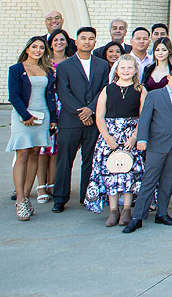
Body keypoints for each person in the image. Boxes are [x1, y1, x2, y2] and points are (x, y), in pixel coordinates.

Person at [123, 65, 172, 233]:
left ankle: (162, 213)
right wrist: (142, 139)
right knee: (149, 180)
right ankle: (138, 217)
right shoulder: (155, 95)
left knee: (167, 181)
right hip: (157, 144)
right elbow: (145, 118)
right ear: (169, 77)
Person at [84, 54, 145, 226]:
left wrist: (134, 137)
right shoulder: (108, 89)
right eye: (122, 68)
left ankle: (126, 209)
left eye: (129, 68)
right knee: (110, 172)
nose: (126, 71)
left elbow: (144, 116)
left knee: (128, 173)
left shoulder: (140, 89)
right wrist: (107, 138)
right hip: (110, 138)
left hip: (130, 137)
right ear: (117, 70)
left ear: (135, 71)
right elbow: (100, 116)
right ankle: (112, 210)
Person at [52, 27, 109, 213]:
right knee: (65, 160)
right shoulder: (64, 66)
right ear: (76, 42)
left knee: (90, 160)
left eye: (91, 39)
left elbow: (104, 89)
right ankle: (60, 198)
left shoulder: (102, 65)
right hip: (70, 121)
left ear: (95, 42)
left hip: (93, 121)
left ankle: (87, 195)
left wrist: (90, 109)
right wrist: (80, 112)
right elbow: (63, 92)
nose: (87, 41)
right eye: (83, 38)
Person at [7, 36, 56, 221]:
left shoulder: (46, 70)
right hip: (23, 115)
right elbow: (14, 95)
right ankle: (19, 199)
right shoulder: (16, 69)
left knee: (36, 153)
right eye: (34, 47)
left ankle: (27, 197)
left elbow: (50, 95)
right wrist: (25, 115)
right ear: (27, 49)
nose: (38, 50)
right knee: (22, 155)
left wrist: (53, 118)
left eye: (41, 48)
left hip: (42, 115)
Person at [36, 29, 70, 203]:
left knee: (57, 148)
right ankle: (41, 186)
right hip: (46, 106)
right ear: (50, 43)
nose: (59, 42)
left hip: (64, 108)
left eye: (62, 39)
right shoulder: (44, 63)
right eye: (55, 40)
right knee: (43, 148)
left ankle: (52, 183)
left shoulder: (71, 62)